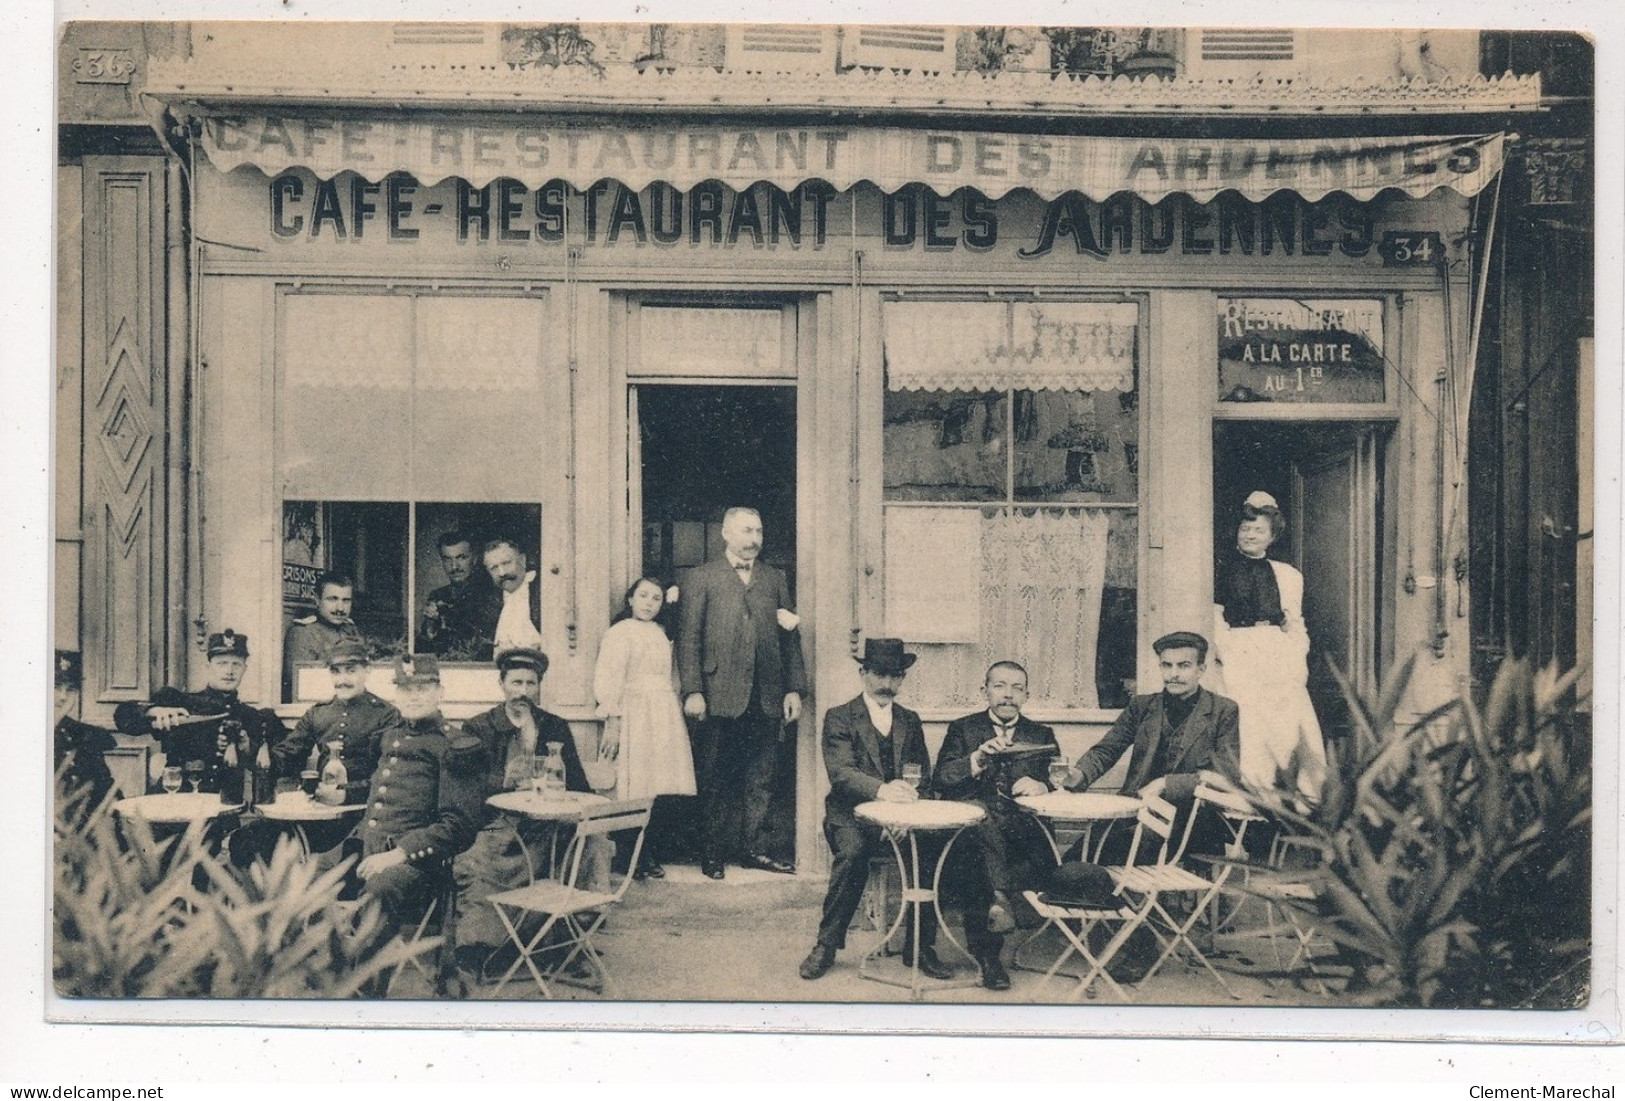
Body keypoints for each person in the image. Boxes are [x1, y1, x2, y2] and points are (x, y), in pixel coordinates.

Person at [798, 639, 1009, 991]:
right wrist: (883, 800)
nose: (887, 683)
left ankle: (920, 947)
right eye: (880, 674)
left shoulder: (909, 720)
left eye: (896, 676)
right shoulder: (839, 716)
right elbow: (842, 774)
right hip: (852, 817)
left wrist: (908, 816)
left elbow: (922, 778)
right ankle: (826, 945)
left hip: (904, 819)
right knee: (851, 855)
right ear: (863, 673)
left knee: (937, 849)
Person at [676, 506, 807, 880]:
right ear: (726, 534)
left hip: (766, 696)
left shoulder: (775, 578)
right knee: (714, 777)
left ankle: (755, 849)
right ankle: (712, 852)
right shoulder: (700, 578)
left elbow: (790, 638)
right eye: (747, 531)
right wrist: (693, 690)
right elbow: (688, 639)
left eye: (759, 532)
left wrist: (794, 689)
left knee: (761, 776)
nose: (754, 540)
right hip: (717, 697)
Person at [454, 647, 602, 974]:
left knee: (589, 844)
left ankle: (563, 943)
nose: (523, 691)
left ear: (539, 687)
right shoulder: (479, 727)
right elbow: (468, 785)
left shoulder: (555, 726)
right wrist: (507, 783)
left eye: (530, 684)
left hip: (549, 822)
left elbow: (578, 784)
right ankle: (484, 948)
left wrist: (559, 792)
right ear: (502, 684)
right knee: (480, 863)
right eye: (516, 682)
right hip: (498, 823)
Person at [325, 654, 486, 928]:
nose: (413, 697)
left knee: (378, 890)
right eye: (405, 689)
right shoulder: (391, 735)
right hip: (364, 844)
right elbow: (383, 786)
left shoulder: (456, 746)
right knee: (302, 876)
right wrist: (345, 793)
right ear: (396, 695)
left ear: (440, 694)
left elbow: (458, 826)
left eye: (422, 689)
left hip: (416, 861)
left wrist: (398, 854)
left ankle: (373, 969)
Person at [1063, 630, 1241, 859]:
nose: (1173, 674)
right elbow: (1107, 750)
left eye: (1183, 665)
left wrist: (1167, 784)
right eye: (1166, 665)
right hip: (1136, 811)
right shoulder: (1142, 706)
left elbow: (1227, 775)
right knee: (1078, 857)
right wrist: (1077, 774)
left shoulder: (1223, 711)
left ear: (1201, 670)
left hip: (1191, 820)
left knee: (1107, 859)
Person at [1211, 490, 1328, 801]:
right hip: (1239, 655)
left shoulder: (1288, 576)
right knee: (1249, 726)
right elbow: (1215, 617)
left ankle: (1295, 800)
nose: (1250, 535)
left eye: (1258, 530)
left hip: (1279, 657)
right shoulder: (1221, 569)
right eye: (1245, 528)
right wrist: (1229, 654)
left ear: (1272, 536)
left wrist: (1295, 655)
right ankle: (1249, 798)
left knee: (1287, 724)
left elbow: (1294, 622)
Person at [932, 661, 1061, 934]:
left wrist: (1043, 786)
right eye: (999, 686)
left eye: (1017, 688)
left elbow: (1058, 781)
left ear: (1026, 695)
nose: (1008, 694)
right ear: (985, 691)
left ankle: (998, 909)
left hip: (1024, 834)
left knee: (983, 862)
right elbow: (941, 778)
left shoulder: (1041, 734)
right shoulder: (963, 729)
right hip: (974, 836)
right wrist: (976, 758)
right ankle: (998, 902)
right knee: (978, 817)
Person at [593, 577, 696, 879]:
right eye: (643, 596)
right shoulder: (619, 633)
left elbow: (671, 676)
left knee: (658, 785)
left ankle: (648, 850)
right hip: (633, 713)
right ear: (630, 599)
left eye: (656, 598)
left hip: (662, 713)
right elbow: (609, 678)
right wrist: (613, 719)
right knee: (633, 785)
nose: (649, 603)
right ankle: (630, 856)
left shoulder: (663, 634)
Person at [114, 629, 284, 793]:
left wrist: (249, 748)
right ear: (208, 666)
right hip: (177, 796)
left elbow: (282, 764)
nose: (229, 671)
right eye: (222, 663)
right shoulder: (181, 702)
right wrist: (152, 711)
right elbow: (124, 718)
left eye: (236, 664)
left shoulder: (252, 716)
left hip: (223, 805)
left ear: (244, 669)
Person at [271, 639, 398, 806]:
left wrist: (347, 795)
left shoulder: (386, 714)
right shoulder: (318, 713)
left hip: (366, 807)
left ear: (367, 670)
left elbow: (391, 773)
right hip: (322, 805)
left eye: (351, 671)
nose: (342, 680)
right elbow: (287, 755)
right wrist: (288, 787)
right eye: (336, 672)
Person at [417, 530, 498, 659]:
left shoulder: (491, 595)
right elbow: (423, 651)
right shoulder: (438, 595)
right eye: (447, 559)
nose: (454, 566)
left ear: (475, 559)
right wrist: (430, 626)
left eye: (461, 557)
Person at [52, 650, 116, 813]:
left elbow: (108, 793)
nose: (63, 697)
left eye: (71, 689)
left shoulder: (85, 736)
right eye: (55, 687)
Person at [282, 572, 363, 700]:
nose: (340, 608)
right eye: (332, 599)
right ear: (317, 600)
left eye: (346, 600)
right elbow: (302, 686)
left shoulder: (351, 629)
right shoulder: (302, 633)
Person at [480, 538, 543, 658]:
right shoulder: (492, 604)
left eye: (506, 563)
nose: (502, 573)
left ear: (523, 560)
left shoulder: (542, 591)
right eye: (494, 568)